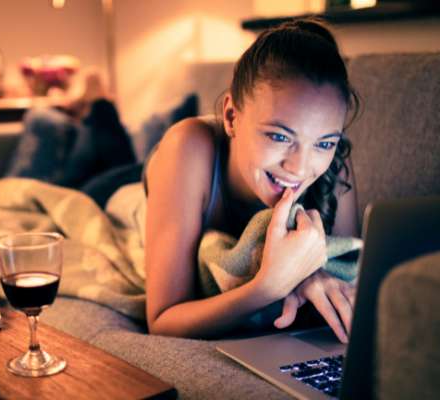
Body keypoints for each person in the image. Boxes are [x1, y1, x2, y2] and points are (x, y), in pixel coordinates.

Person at [143, 18, 360, 342]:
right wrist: (270, 286)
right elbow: (162, 320)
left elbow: (349, 278)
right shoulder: (188, 146)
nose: (300, 168)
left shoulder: (332, 167)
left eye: (324, 143)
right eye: (278, 136)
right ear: (231, 116)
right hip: (136, 195)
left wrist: (316, 275)